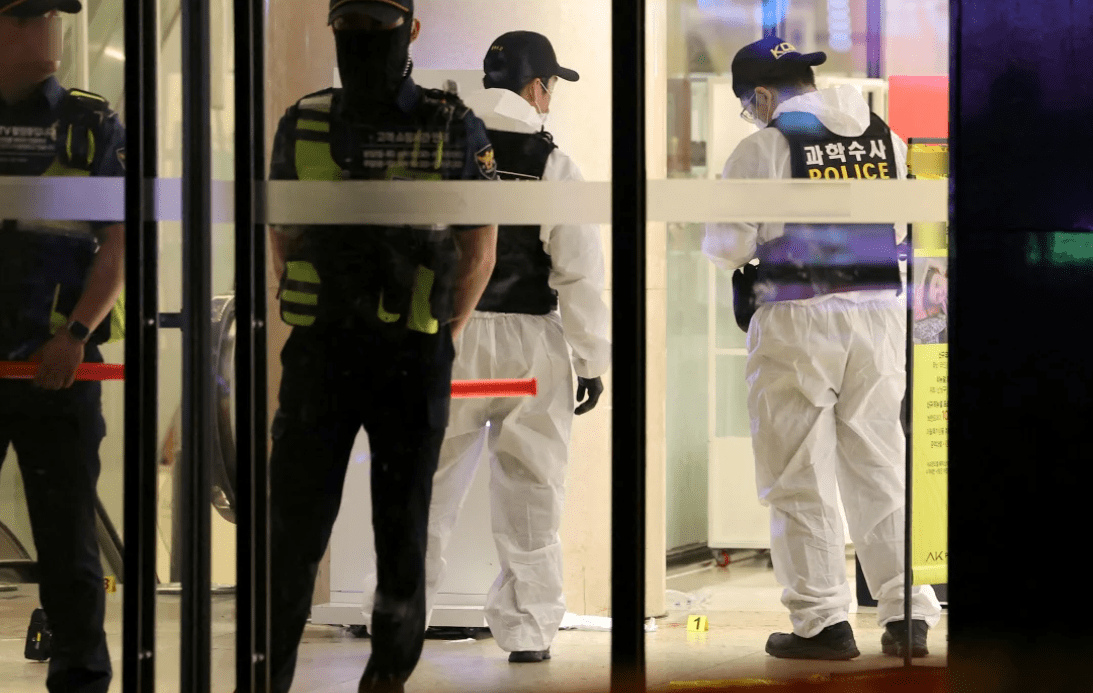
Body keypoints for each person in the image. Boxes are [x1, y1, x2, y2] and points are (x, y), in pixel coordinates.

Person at [265, 1, 498, 691]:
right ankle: (267, 676)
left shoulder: (450, 123)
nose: (363, 37)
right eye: (350, 25)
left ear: (411, 29)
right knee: (292, 534)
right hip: (321, 353)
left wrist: (444, 338)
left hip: (410, 356)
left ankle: (387, 679)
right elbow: (280, 231)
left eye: (378, 23)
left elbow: (479, 247)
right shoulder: (304, 122)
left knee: (402, 537)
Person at [359, 30, 611, 664]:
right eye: (550, 88)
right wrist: (591, 361)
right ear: (536, 87)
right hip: (530, 350)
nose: (550, 100)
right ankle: (529, 633)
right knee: (532, 493)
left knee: (425, 489)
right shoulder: (554, 163)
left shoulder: (441, 146)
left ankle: (396, 626)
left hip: (450, 335)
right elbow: (579, 272)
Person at [702, 37, 942, 661]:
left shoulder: (764, 147)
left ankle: (822, 623)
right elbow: (905, 226)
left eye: (748, 106)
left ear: (761, 96)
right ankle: (908, 614)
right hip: (879, 315)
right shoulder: (883, 138)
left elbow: (726, 246)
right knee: (880, 467)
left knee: (798, 474)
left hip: (797, 318)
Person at [0, 1, 126, 691]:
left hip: (59, 366)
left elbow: (121, 240)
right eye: (28, 14)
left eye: (52, 13)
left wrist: (75, 334)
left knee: (68, 546)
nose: (49, 26)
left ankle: (80, 679)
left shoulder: (90, 122)